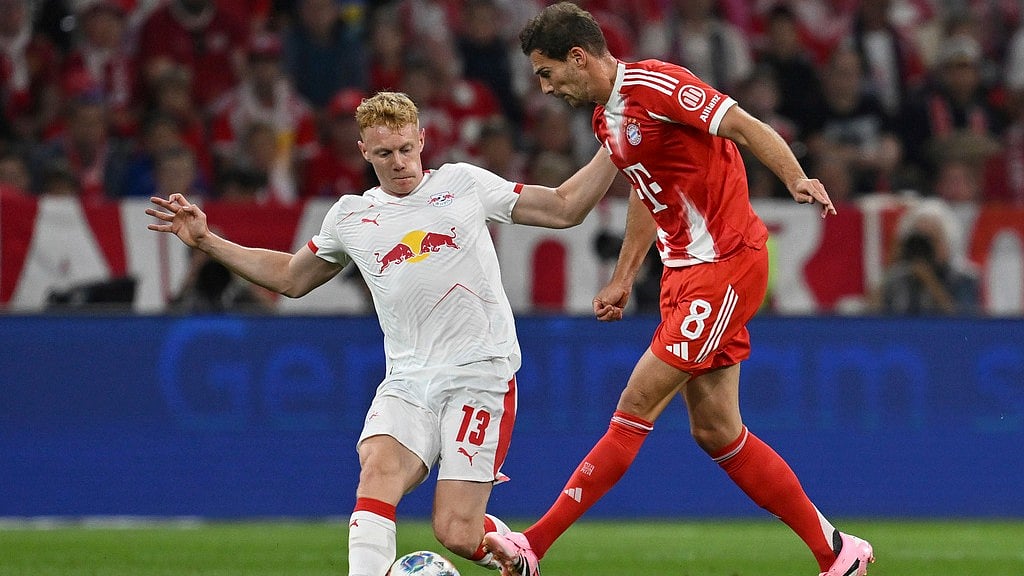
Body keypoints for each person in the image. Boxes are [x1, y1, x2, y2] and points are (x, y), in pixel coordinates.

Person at [146, 91, 619, 576]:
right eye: (384, 154)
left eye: (405, 149)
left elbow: (564, 207)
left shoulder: (463, 184)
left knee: (456, 531)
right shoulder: (350, 216)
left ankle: (514, 554)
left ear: (421, 139)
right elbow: (291, 277)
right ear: (364, 152)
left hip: (481, 376)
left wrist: (617, 143)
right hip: (408, 380)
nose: (399, 163)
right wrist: (207, 240)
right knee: (377, 468)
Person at [482, 4, 874, 576]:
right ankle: (838, 553)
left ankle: (532, 546)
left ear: (577, 57)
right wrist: (623, 275)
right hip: (683, 274)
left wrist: (794, 175)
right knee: (717, 431)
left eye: (546, 72)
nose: (542, 87)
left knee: (634, 406)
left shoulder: (657, 84)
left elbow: (742, 123)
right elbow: (649, 189)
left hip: (727, 264)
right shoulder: (605, 121)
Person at [872, 198, 980, 316]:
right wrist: (892, 262)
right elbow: (870, 316)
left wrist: (930, 280)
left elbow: (965, 324)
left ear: (947, 243)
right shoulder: (897, 276)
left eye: (931, 239)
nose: (923, 246)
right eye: (919, 238)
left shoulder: (964, 279)